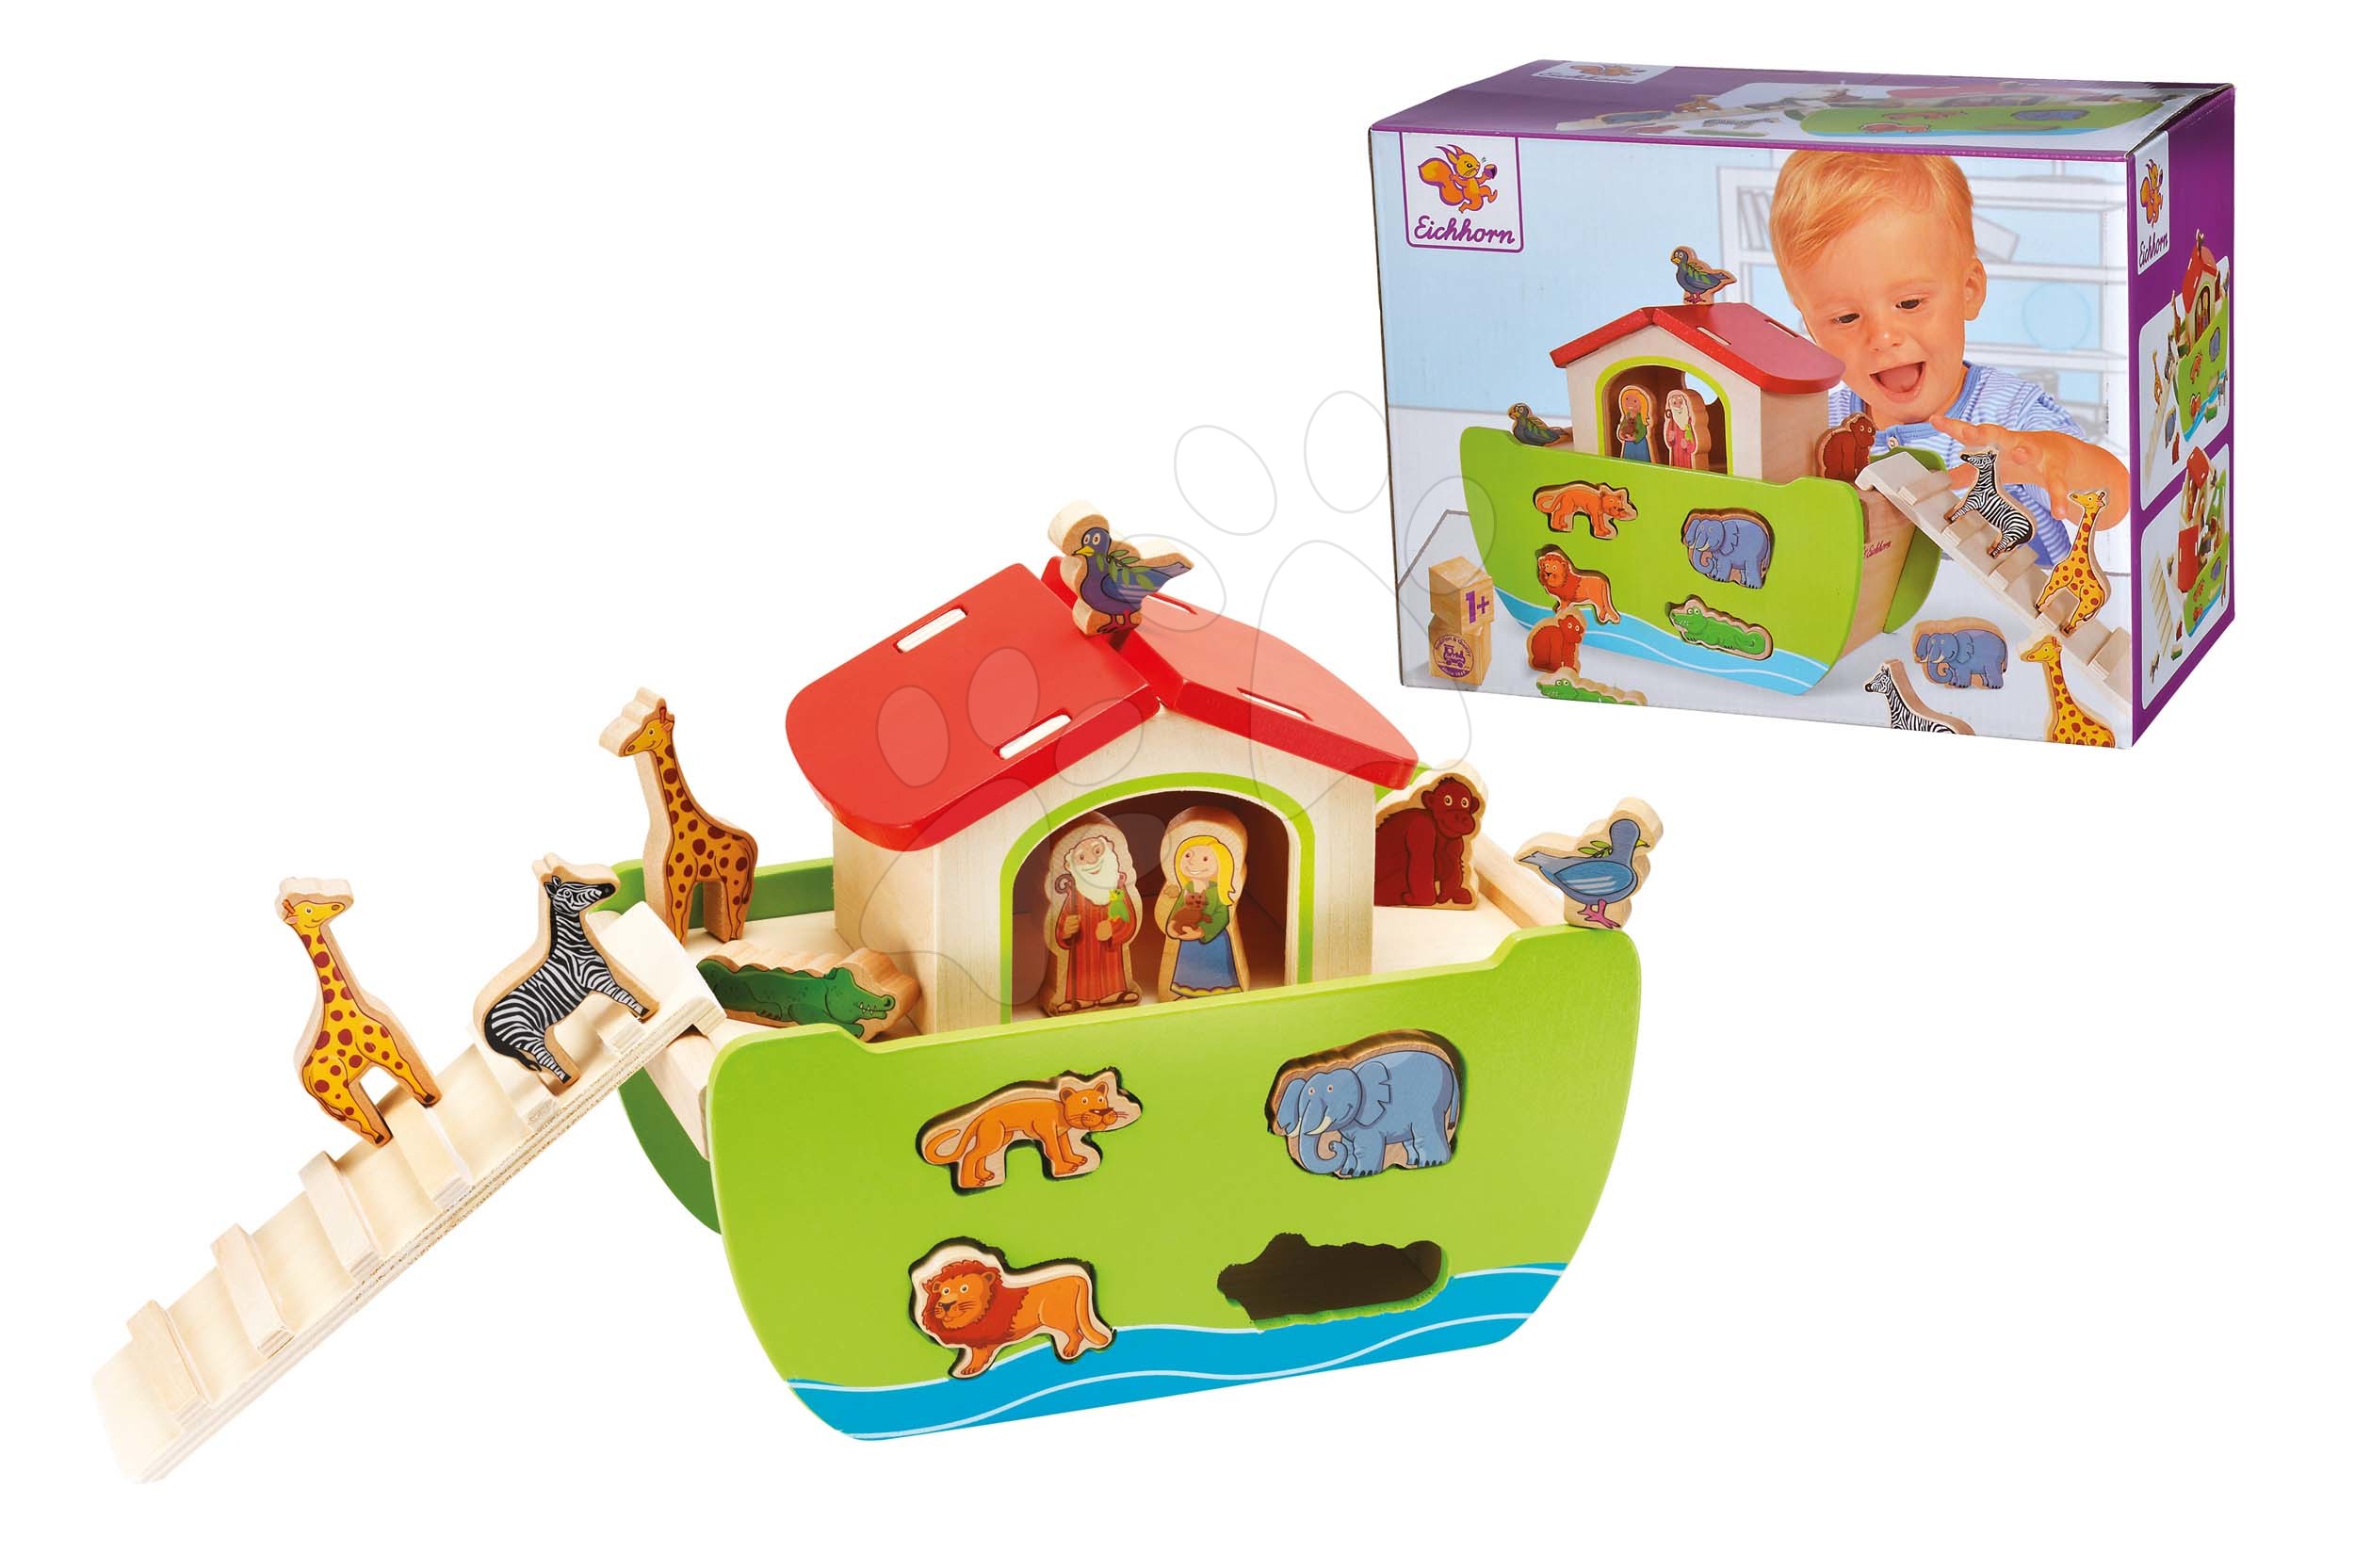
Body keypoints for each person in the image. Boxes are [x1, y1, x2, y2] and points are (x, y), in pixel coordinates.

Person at [1770, 151, 2128, 566]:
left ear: (1969, 290)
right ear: (1812, 330)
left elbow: (2116, 502)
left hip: (2018, 605)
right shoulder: (1819, 429)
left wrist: (2050, 456)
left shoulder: (2009, 417)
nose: (1882, 338)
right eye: (1845, 318)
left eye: (1909, 303)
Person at [1047, 828, 1139, 1012]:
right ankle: (1080, 999)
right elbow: (1059, 925)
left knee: (1111, 970)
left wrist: (1113, 929)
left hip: (1110, 952)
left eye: (1097, 851)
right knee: (1081, 970)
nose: (1092, 860)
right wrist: (1066, 930)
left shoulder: (1117, 889)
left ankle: (1115, 993)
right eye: (1082, 857)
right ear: (1070, 866)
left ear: (1109, 850)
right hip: (1082, 949)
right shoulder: (1074, 894)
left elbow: (1128, 917)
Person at [1156, 825, 1244, 999]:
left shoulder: (1217, 891)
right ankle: (1186, 992)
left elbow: (1222, 916)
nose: (1192, 862)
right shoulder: (1187, 888)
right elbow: (1176, 910)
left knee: (1213, 965)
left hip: (1213, 939)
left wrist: (1202, 931)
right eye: (1188, 855)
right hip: (1187, 939)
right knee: (1189, 966)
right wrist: (1172, 926)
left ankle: (1219, 990)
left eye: (1205, 858)